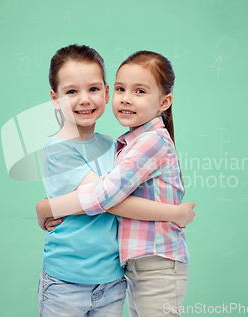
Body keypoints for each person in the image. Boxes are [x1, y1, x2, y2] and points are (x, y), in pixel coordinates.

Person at [38, 45, 195, 317]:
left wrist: (49, 207)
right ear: (55, 98)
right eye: (72, 91)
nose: (84, 99)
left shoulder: (115, 147)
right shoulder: (59, 149)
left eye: (94, 89)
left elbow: (105, 197)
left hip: (111, 277)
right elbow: (104, 198)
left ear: (105, 92)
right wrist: (48, 208)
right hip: (68, 276)